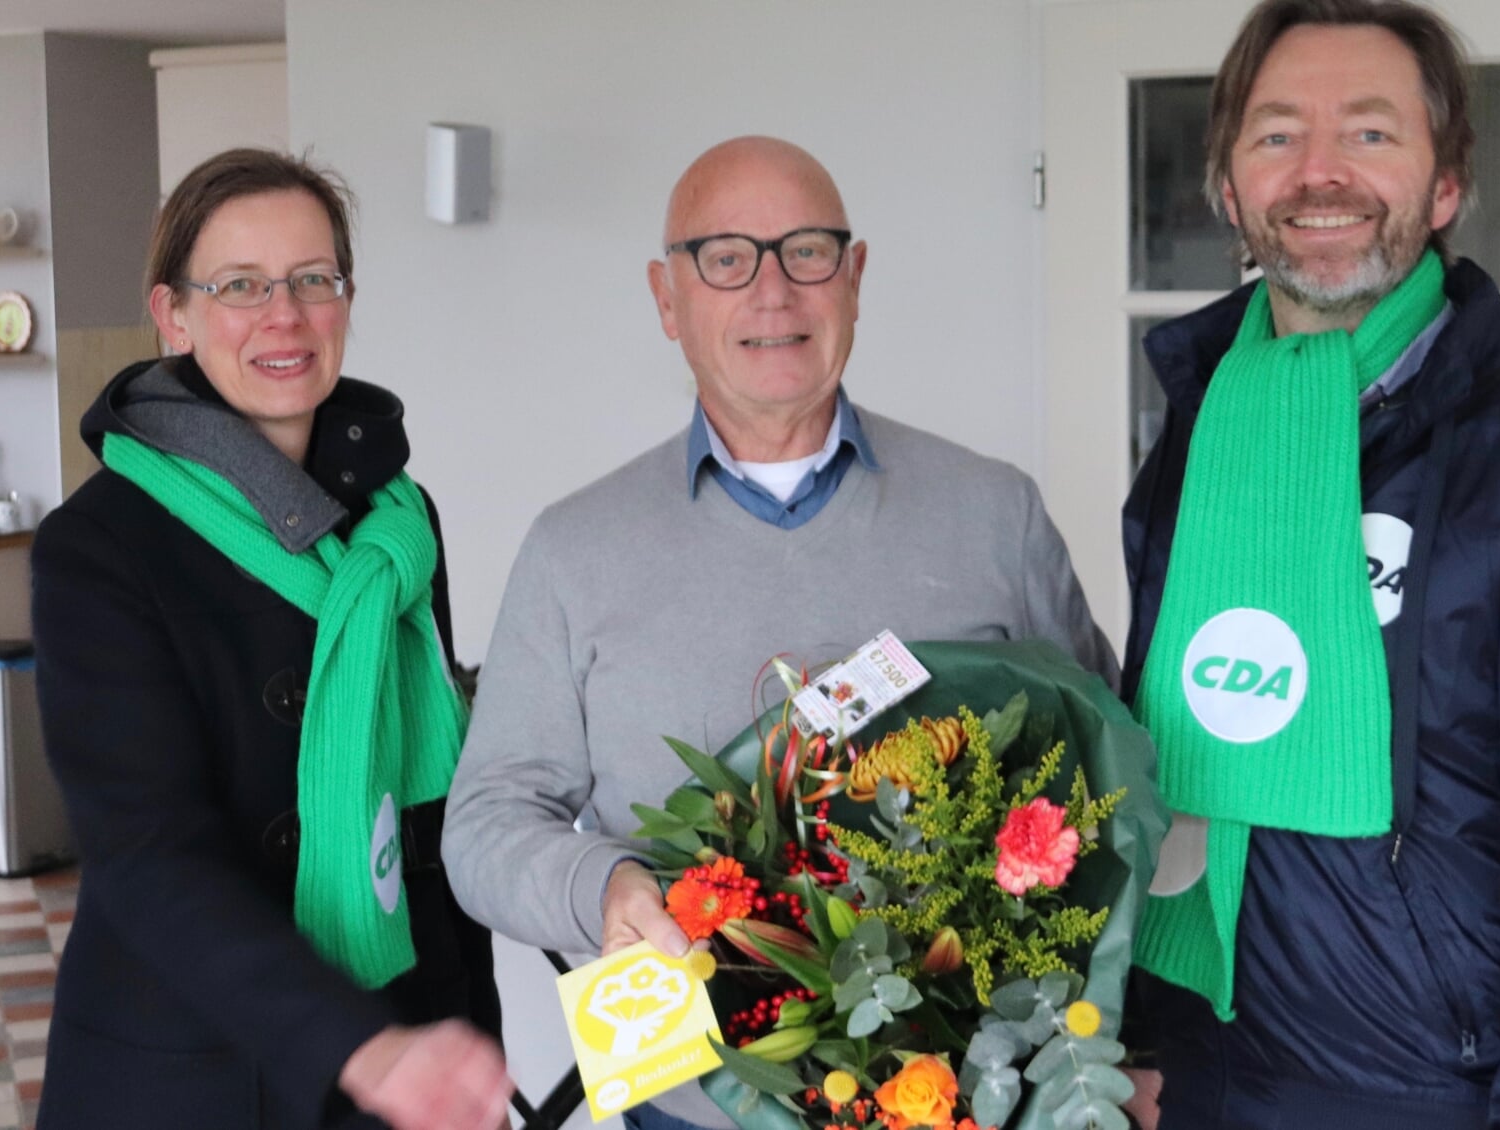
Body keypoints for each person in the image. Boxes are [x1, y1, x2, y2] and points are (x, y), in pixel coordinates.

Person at [1116, 3, 1500, 1127]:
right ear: (1231, 186)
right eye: (1278, 134)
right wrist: (1136, 1036)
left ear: (1445, 187)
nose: (1320, 173)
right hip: (1195, 1086)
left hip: (1442, 1097)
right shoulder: (1199, 441)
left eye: (1373, 133)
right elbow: (1169, 762)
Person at [443, 135, 1116, 1130]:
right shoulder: (574, 549)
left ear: (854, 279)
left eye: (807, 252)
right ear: (667, 299)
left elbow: (1100, 775)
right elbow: (486, 823)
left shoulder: (994, 515)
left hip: (967, 1096)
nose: (773, 291)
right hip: (694, 1102)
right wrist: (608, 886)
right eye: (726, 257)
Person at [32, 148, 511, 1130]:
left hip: (414, 1024)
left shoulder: (400, 521)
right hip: (204, 1066)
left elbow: (426, 800)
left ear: (345, 296)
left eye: (311, 280)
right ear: (174, 313)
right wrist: (361, 1045)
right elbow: (147, 854)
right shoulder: (98, 545)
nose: (283, 315)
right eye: (240, 285)